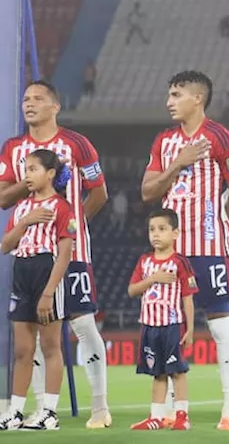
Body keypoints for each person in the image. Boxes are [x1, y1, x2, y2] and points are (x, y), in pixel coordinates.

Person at [140, 71, 229, 430]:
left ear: (197, 99)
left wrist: (213, 221)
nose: (169, 101)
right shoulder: (164, 142)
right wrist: (179, 163)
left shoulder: (220, 137)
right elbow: (147, 192)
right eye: (169, 94)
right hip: (171, 253)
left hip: (209, 249)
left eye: (176, 94)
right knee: (173, 329)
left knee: (220, 327)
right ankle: (173, 413)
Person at [0, 81, 113, 428]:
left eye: (37, 99)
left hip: (71, 251)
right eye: (25, 99)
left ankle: (100, 406)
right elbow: (4, 197)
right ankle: (38, 408)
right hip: (30, 254)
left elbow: (99, 193)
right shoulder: (13, 148)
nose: (28, 104)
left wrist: (71, 225)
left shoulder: (77, 144)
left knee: (82, 322)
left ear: (55, 106)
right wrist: (27, 184)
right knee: (32, 331)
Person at [0, 149, 75, 430]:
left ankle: (49, 412)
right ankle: (16, 412)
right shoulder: (21, 208)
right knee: (22, 349)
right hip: (22, 271)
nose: (27, 175)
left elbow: (65, 253)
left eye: (33, 169)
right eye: (25, 169)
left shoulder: (61, 207)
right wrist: (24, 222)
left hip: (46, 272)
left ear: (51, 173)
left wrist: (48, 293)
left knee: (50, 346)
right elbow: (6, 245)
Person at [126, 207, 196, 431]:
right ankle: (156, 417)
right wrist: (153, 279)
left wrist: (191, 328)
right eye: (152, 229)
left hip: (172, 326)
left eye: (162, 229)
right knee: (157, 373)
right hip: (149, 326)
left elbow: (188, 297)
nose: (156, 234)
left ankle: (182, 415)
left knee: (177, 370)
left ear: (175, 234)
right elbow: (132, 290)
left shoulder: (180, 263)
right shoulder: (145, 262)